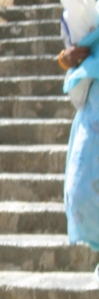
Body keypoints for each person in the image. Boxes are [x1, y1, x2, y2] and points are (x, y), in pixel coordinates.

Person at [58, 43, 99, 263]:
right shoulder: (92, 9)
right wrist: (66, 58)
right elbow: (72, 48)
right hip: (95, 111)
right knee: (81, 191)